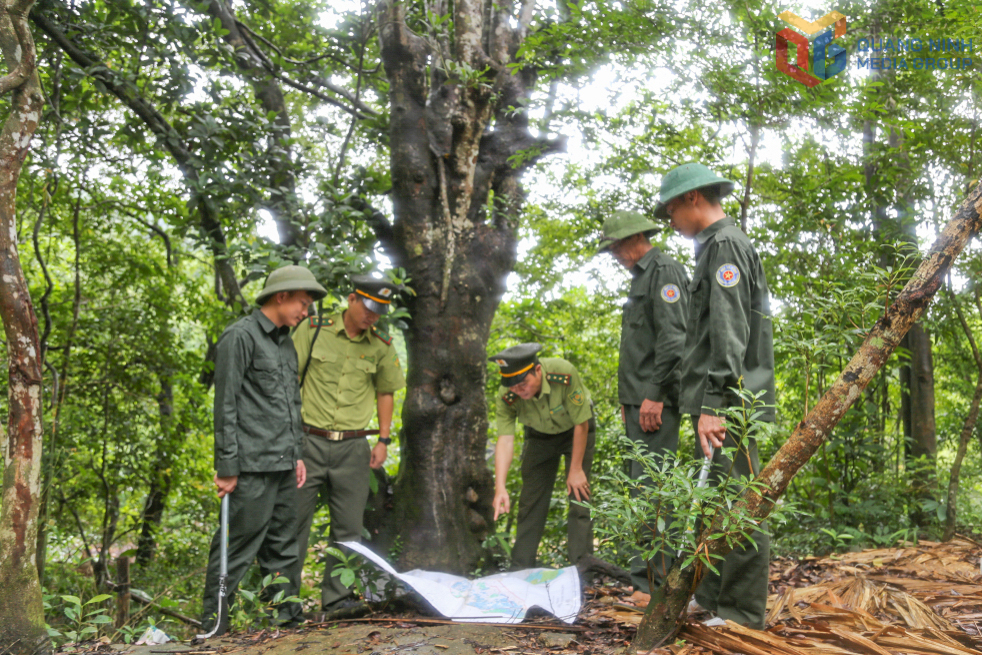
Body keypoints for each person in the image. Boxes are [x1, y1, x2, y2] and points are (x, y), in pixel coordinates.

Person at [657, 162, 775, 629]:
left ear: (691, 199)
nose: (671, 221)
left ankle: (742, 612)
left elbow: (729, 332)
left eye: (671, 210)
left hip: (729, 403)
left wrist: (714, 404)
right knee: (713, 502)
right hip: (720, 400)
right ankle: (709, 598)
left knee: (741, 502)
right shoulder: (714, 246)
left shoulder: (725, 245)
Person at [201, 265, 327, 630]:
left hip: (285, 464)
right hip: (252, 467)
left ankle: (288, 622)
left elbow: (291, 402)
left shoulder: (286, 341)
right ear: (281, 295)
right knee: (236, 549)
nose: (306, 313)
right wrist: (227, 466)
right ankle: (214, 625)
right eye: (303, 304)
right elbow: (225, 405)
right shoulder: (239, 337)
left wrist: (298, 453)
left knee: (284, 549)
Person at [292, 274, 406, 612]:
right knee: (293, 522)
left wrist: (383, 439)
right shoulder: (313, 330)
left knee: (349, 527)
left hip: (353, 447)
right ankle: (286, 603)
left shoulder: (381, 346)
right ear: (352, 299)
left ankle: (336, 602)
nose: (373, 315)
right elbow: (289, 378)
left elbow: (386, 392)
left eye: (380, 310)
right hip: (307, 441)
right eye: (369, 307)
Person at [597, 209, 689, 596]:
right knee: (642, 489)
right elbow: (639, 346)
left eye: (618, 246)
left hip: (656, 402)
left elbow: (674, 340)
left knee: (653, 491)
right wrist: (629, 401)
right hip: (639, 402)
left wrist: (653, 394)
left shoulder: (664, 272)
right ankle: (646, 582)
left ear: (637, 239)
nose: (616, 254)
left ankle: (653, 586)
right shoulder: (642, 277)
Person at [490, 343, 595, 569]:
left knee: (579, 496)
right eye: (513, 386)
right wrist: (500, 487)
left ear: (537, 371)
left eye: (523, 383)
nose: (519, 390)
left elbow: (581, 423)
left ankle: (582, 568)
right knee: (531, 500)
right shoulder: (506, 394)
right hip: (539, 437)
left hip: (576, 431)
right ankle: (521, 568)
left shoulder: (563, 373)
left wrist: (576, 469)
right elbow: (506, 439)